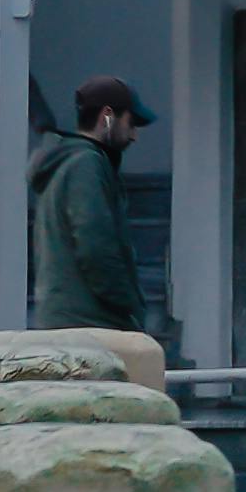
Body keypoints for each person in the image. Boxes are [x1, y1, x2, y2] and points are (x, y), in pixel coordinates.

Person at [33, 76, 151, 341]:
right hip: (89, 329)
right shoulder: (86, 165)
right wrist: (130, 310)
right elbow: (96, 247)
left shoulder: (69, 163)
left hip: (69, 324)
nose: (134, 135)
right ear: (107, 116)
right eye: (131, 123)